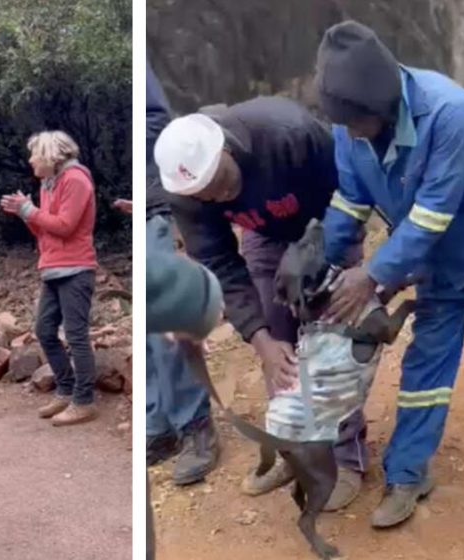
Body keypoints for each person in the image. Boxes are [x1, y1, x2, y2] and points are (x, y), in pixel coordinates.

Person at [316, 20, 464, 530]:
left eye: (356, 122)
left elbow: (432, 214)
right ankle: (408, 473)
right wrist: (326, 264)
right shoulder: (347, 128)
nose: (350, 132)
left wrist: (373, 275)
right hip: (435, 260)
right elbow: (350, 199)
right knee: (426, 368)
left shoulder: (449, 110)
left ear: (381, 105)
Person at [154, 95, 369, 509]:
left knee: (330, 343)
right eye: (206, 195)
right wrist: (260, 339)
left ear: (228, 149)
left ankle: (346, 458)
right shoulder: (187, 193)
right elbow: (218, 261)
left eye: (221, 183)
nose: (218, 199)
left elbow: (351, 194)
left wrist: (312, 248)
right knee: (279, 348)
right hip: (266, 237)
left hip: (328, 224)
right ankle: (295, 451)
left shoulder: (288, 133)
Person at [143, 59, 220, 486]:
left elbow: (155, 117)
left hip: (155, 200)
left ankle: (196, 424)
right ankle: (160, 424)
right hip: (133, 208)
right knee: (145, 327)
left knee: (166, 316)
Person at [1, 131, 98, 427]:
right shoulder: (48, 183)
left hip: (76, 269)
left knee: (76, 336)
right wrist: (26, 214)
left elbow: (66, 226)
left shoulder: (76, 180)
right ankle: (66, 389)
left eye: (34, 154)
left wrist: (30, 211)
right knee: (43, 330)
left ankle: (84, 401)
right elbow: (46, 231)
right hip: (53, 267)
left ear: (49, 155)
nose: (30, 159)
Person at [146, 249, 225, 560]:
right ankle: (158, 423)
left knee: (168, 328)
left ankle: (196, 423)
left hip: (155, 215)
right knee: (146, 338)